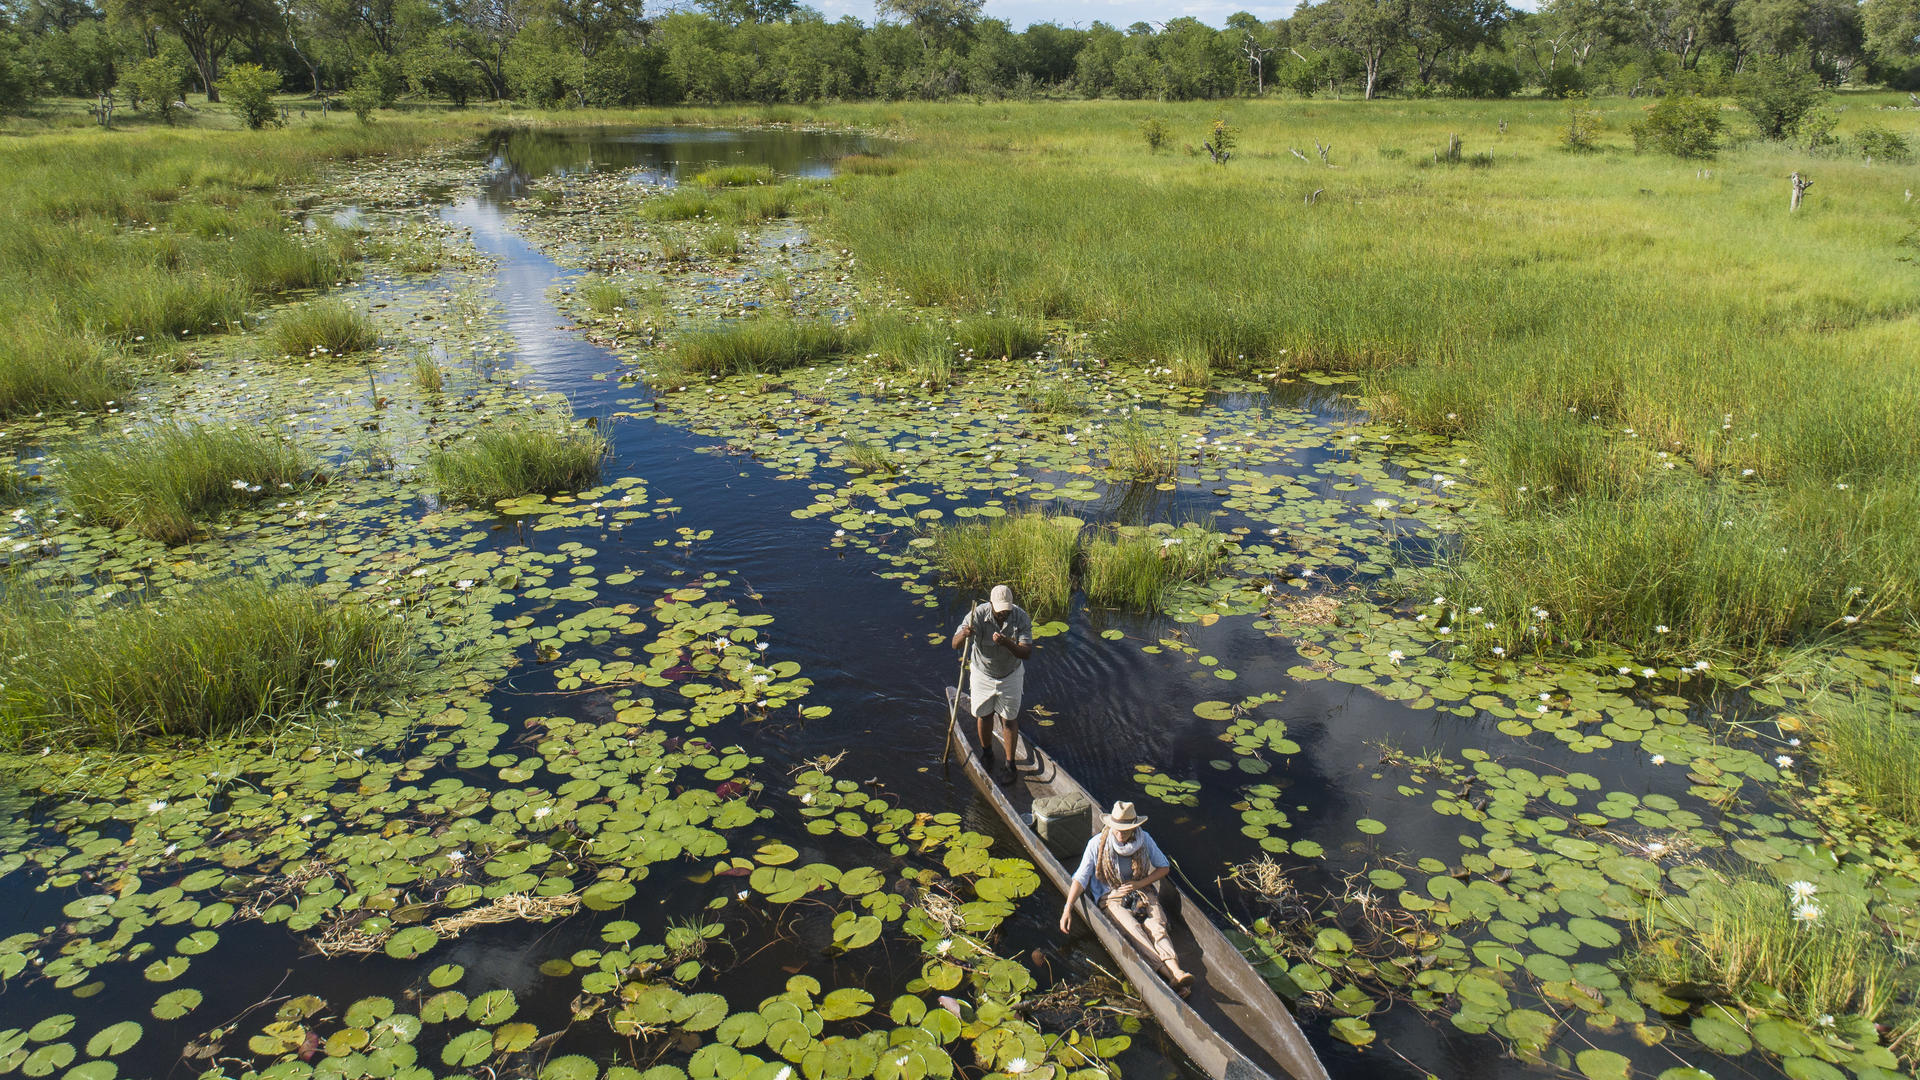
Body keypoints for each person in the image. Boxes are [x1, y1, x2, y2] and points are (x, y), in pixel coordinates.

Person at [1059, 801, 1194, 989]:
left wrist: (1138, 884)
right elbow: (1080, 879)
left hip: (1141, 890)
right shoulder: (1097, 844)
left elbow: (1163, 867)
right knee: (1134, 931)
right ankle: (1168, 975)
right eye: (1116, 829)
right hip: (1111, 896)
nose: (1120, 834)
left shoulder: (1144, 839)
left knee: (1156, 926)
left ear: (1134, 827)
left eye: (1125, 830)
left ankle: (1177, 970)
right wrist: (1068, 908)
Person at [951, 584, 1032, 783]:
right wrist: (965, 634)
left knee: (1009, 719)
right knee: (984, 714)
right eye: (999, 610)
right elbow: (955, 644)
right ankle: (987, 753)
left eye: (1007, 610)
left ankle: (1010, 765)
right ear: (991, 605)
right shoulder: (977, 615)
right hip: (983, 673)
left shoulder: (1020, 617)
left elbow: (1026, 653)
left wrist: (1007, 643)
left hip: (1010, 674)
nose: (1003, 614)